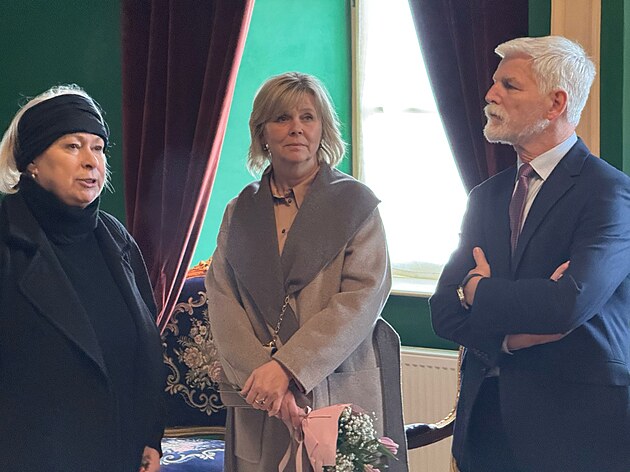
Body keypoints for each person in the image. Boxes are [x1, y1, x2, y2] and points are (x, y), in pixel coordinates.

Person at [430, 35, 630, 472]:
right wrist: (508, 338)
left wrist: (477, 291)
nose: (490, 95)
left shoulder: (609, 193)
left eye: (509, 85)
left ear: (556, 103)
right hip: (485, 425)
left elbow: (567, 305)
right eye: (494, 83)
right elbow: (443, 310)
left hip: (577, 431)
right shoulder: (486, 195)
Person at [205, 72, 408, 471]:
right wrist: (265, 381)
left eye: (307, 117)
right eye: (282, 118)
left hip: (338, 386)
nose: (296, 127)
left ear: (323, 129)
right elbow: (222, 300)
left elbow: (361, 300)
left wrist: (288, 368)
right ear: (262, 132)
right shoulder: (239, 211)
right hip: (260, 399)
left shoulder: (356, 204)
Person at [0, 85, 165, 471]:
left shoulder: (117, 238)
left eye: (98, 147)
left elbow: (145, 346)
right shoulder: (7, 241)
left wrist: (149, 436)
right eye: (73, 146)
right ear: (32, 160)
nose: (92, 162)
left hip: (120, 454)